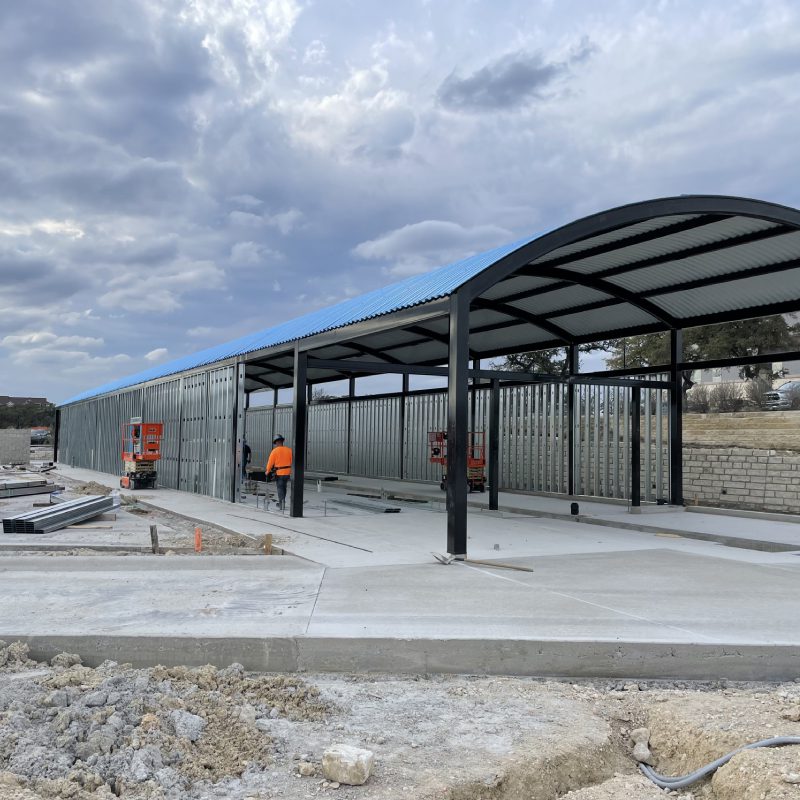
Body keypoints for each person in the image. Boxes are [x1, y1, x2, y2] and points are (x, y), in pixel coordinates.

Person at [265, 434, 292, 511]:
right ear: (282, 441)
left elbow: (270, 462)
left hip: (279, 473)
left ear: (276, 442)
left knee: (280, 488)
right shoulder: (289, 450)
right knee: (284, 487)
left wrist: (267, 471)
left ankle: (281, 504)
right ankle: (282, 501)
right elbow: (292, 462)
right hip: (287, 472)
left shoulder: (274, 451)